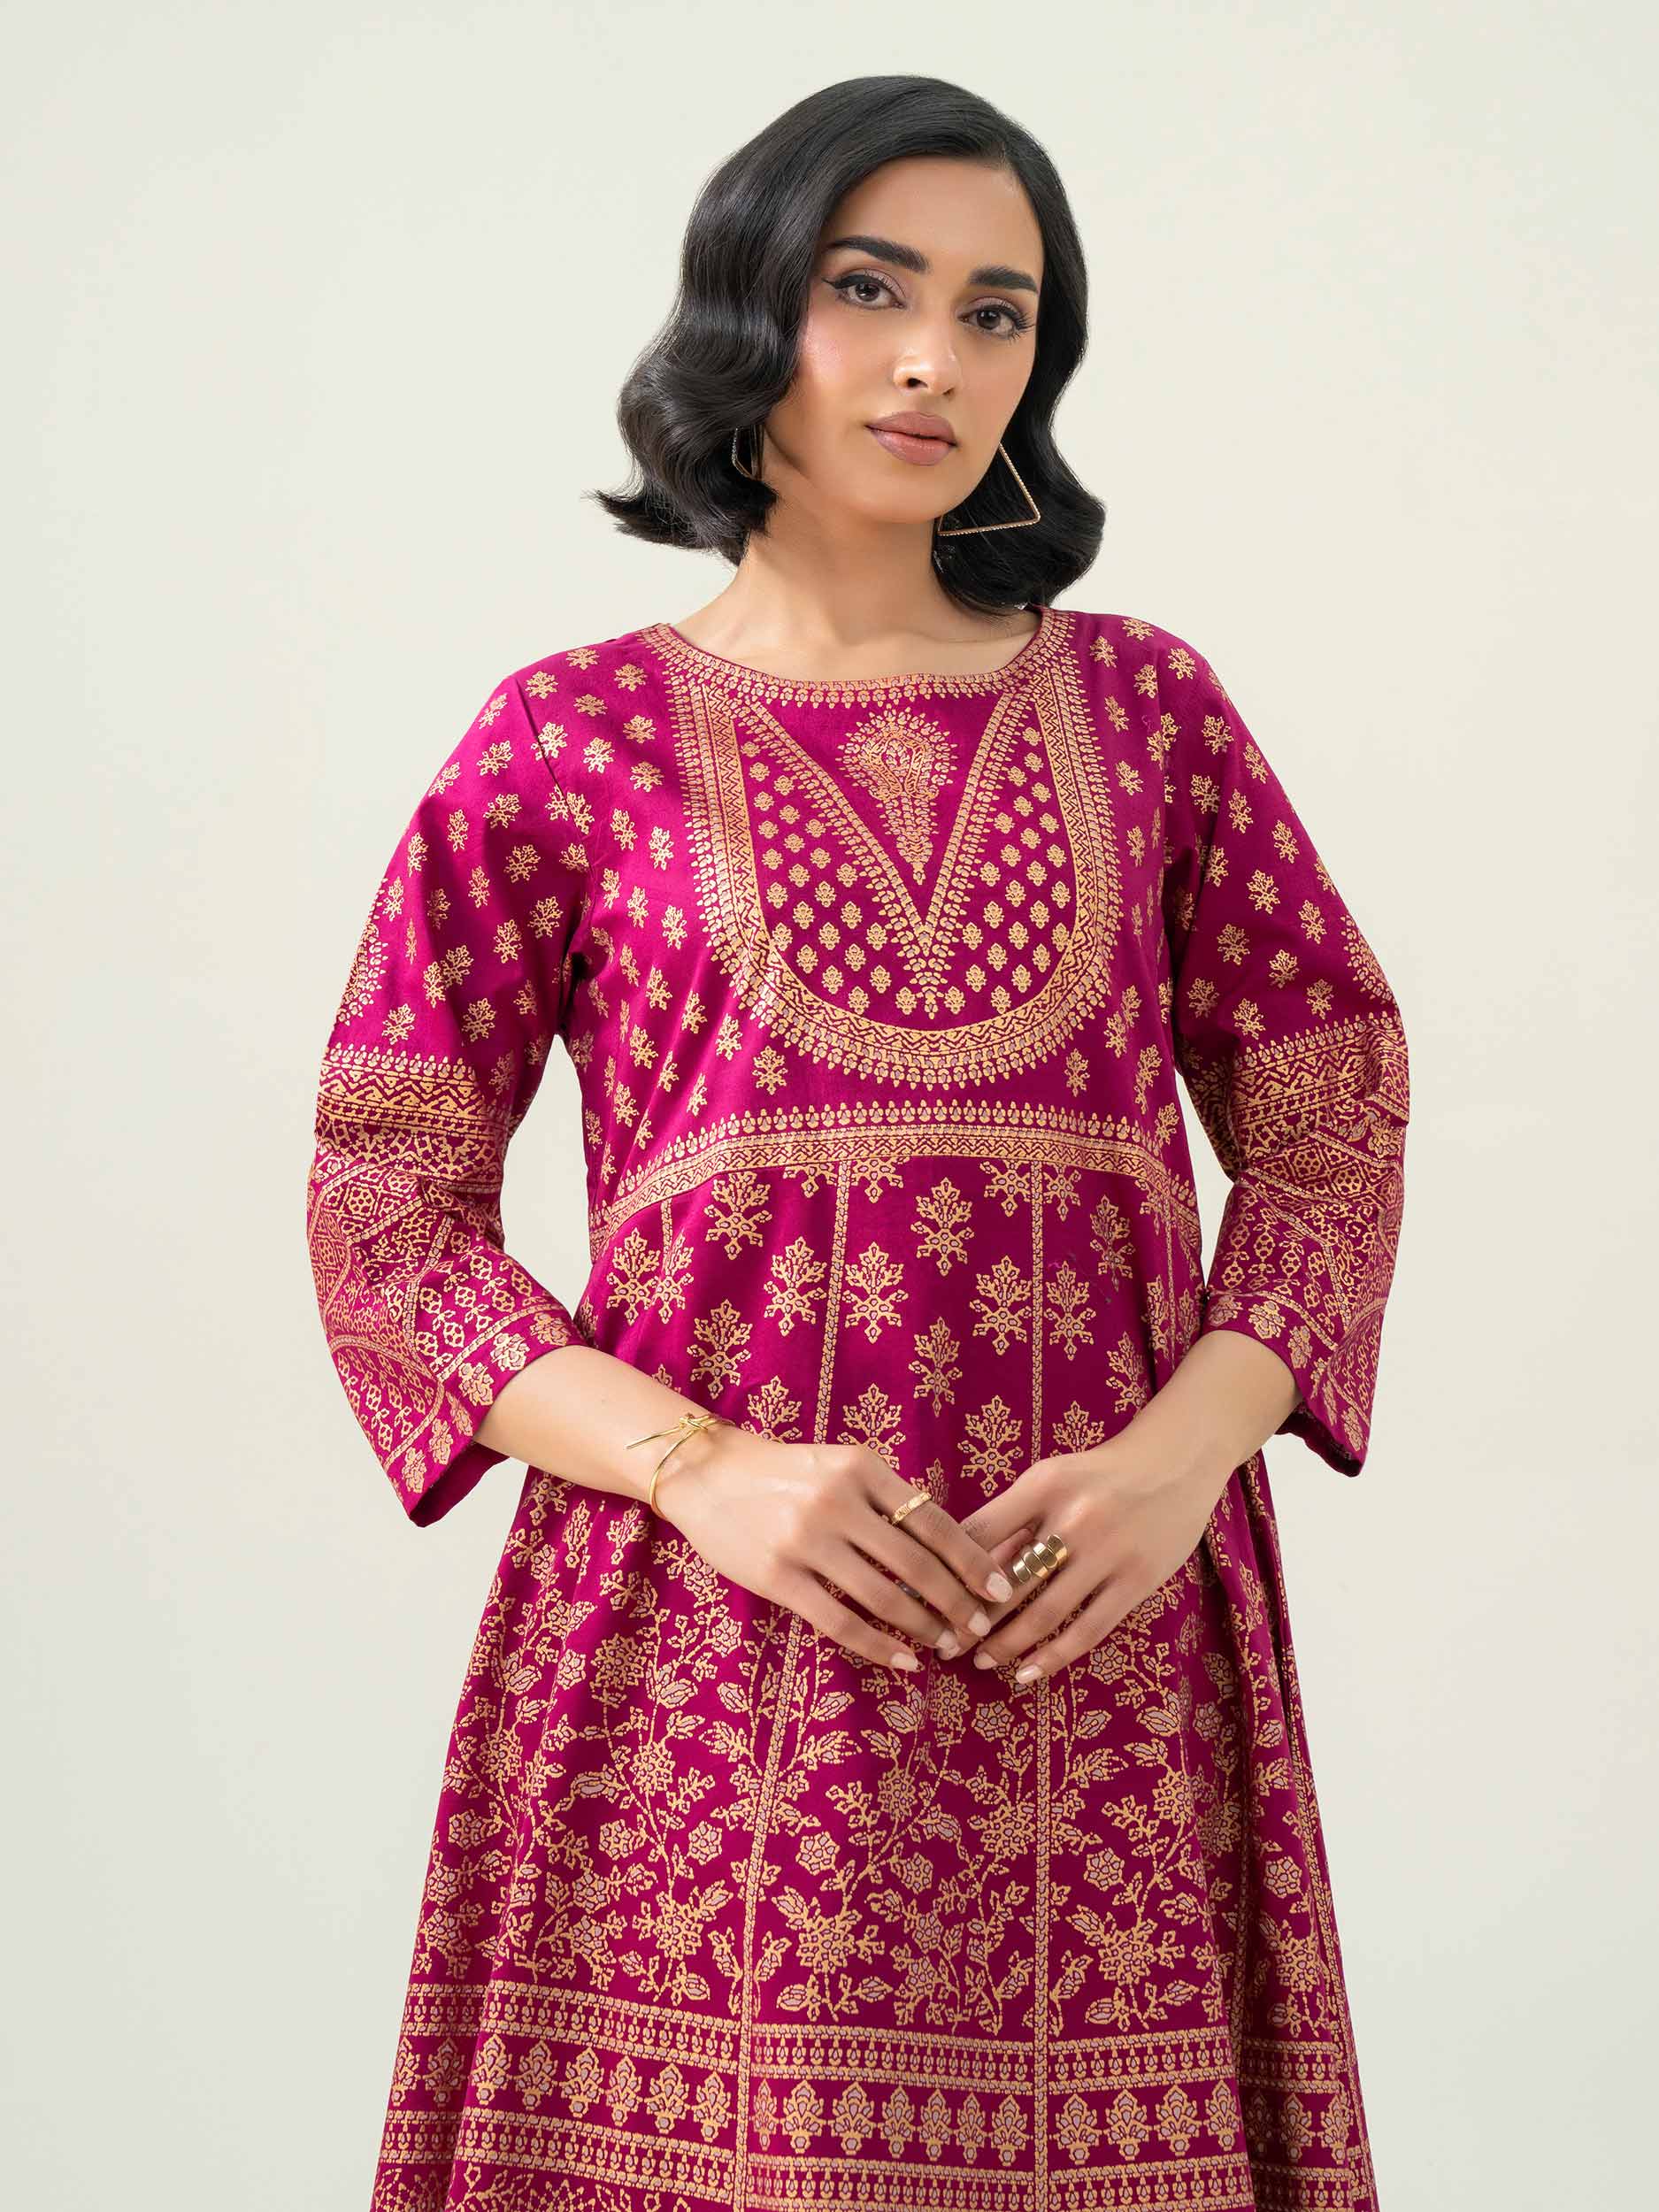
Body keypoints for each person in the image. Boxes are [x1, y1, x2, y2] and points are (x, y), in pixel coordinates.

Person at [306, 74, 1409, 2212]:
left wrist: (1189, 1442)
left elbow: (1326, 1110)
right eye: (868, 290)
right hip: (701, 1653)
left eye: (996, 314)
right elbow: (383, 1199)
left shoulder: (1150, 712)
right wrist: (696, 1466)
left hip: (1099, 1642)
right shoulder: (566, 738)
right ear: (752, 314)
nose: (933, 361)